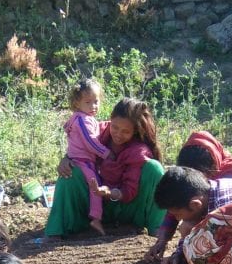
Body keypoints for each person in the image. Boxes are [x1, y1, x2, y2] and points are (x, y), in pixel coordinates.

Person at [44, 97, 166, 239]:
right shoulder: (96, 132)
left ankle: (158, 228)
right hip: (95, 204)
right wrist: (66, 159)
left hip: (126, 206)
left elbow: (129, 191)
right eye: (115, 127)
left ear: (135, 132)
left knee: (154, 168)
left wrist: (109, 192)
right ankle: (58, 230)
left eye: (126, 131)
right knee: (71, 171)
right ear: (110, 120)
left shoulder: (138, 150)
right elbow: (79, 150)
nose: (118, 134)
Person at [143, 131, 232, 263]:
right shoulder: (203, 191)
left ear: (211, 168)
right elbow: (176, 203)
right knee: (190, 229)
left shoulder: (231, 179)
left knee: (190, 228)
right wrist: (164, 241)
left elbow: (229, 257)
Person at [64, 79, 110, 236]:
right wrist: (106, 153)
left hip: (83, 160)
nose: (93, 106)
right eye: (88, 102)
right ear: (77, 103)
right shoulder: (83, 120)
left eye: (96, 101)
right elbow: (91, 141)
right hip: (82, 161)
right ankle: (95, 218)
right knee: (95, 187)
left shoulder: (83, 118)